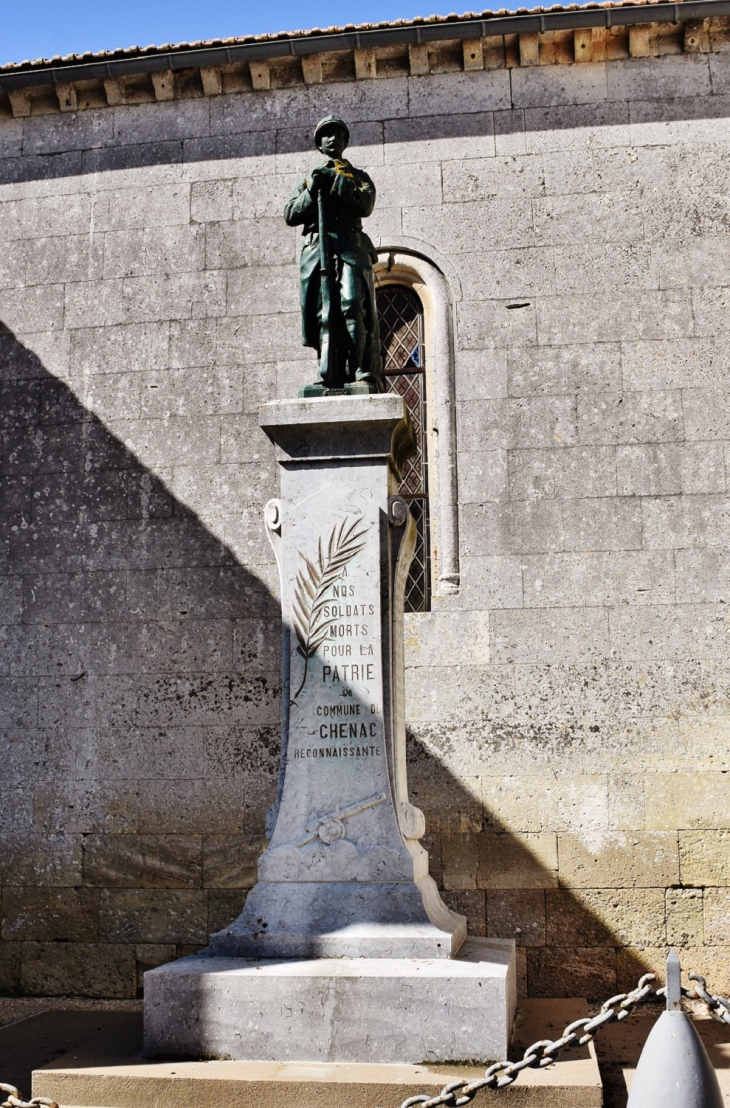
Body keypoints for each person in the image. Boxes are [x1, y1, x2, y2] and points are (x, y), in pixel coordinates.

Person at [284, 115, 384, 393]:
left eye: (337, 135)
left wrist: (336, 182)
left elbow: (365, 204)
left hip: (351, 247)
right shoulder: (307, 179)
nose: (332, 139)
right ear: (319, 144)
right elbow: (290, 214)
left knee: (352, 303)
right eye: (326, 135)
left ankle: (360, 370)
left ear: (344, 141)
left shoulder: (360, 177)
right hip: (318, 250)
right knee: (322, 312)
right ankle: (329, 369)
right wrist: (312, 191)